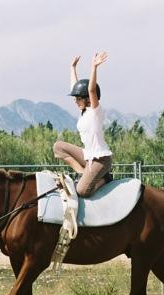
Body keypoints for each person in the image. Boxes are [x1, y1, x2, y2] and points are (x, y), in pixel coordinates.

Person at [53, 52, 113, 197]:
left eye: (78, 98)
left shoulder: (95, 111)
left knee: (82, 191)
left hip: (101, 160)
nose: (75, 100)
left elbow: (91, 90)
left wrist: (94, 67)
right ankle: (82, 174)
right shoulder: (84, 111)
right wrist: (72, 68)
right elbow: (75, 87)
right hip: (88, 156)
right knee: (58, 147)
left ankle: (105, 179)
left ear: (87, 99)